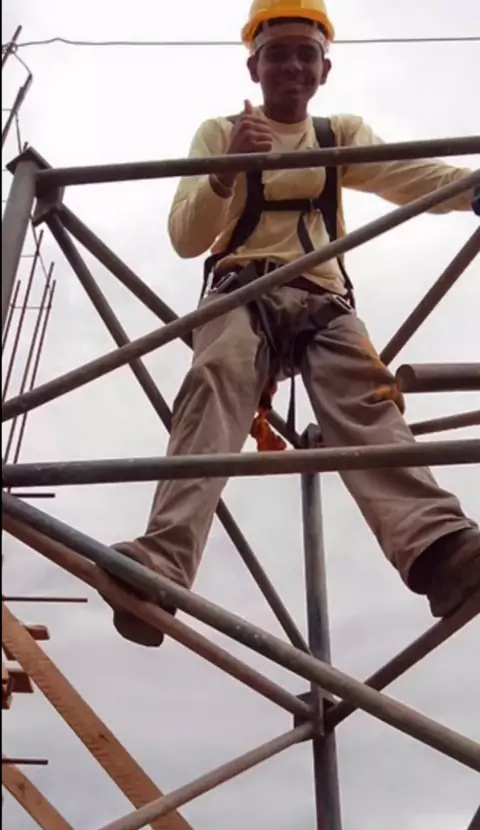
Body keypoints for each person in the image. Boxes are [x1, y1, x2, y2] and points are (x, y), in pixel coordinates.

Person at [105, 0, 480, 646]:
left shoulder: (337, 135)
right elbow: (185, 236)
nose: (293, 66)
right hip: (241, 290)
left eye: (306, 54)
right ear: (253, 66)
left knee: (366, 398)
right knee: (216, 378)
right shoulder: (222, 132)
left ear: (325, 70)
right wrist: (225, 172)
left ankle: (440, 550)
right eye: (277, 53)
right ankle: (160, 568)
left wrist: (470, 187)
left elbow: (407, 174)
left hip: (321, 297)